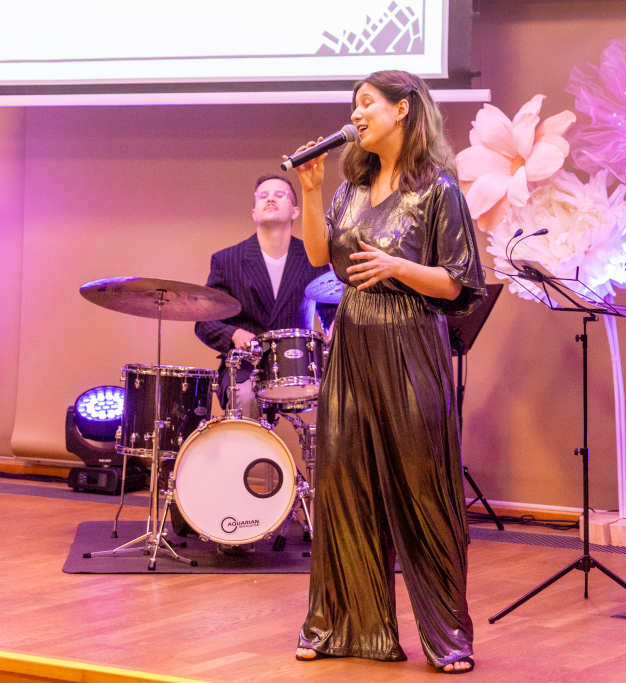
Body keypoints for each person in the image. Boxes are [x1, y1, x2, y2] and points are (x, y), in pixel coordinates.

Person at [289, 70, 484, 673]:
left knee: (422, 492)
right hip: (353, 342)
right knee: (344, 485)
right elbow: (320, 256)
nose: (356, 114)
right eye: (354, 105)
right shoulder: (352, 187)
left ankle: (447, 637)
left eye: (367, 103)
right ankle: (342, 628)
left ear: (403, 110)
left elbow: (457, 281)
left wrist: (398, 266)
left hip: (411, 343)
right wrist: (312, 190)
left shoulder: (439, 191)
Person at [195, 173, 337, 417]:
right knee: (246, 396)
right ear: (254, 212)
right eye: (263, 196)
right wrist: (234, 334)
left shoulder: (314, 258)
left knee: (343, 395)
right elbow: (205, 322)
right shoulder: (227, 260)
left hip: (299, 366)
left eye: (279, 195)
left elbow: (330, 310)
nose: (270, 199)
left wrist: (335, 326)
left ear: (295, 211)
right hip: (245, 368)